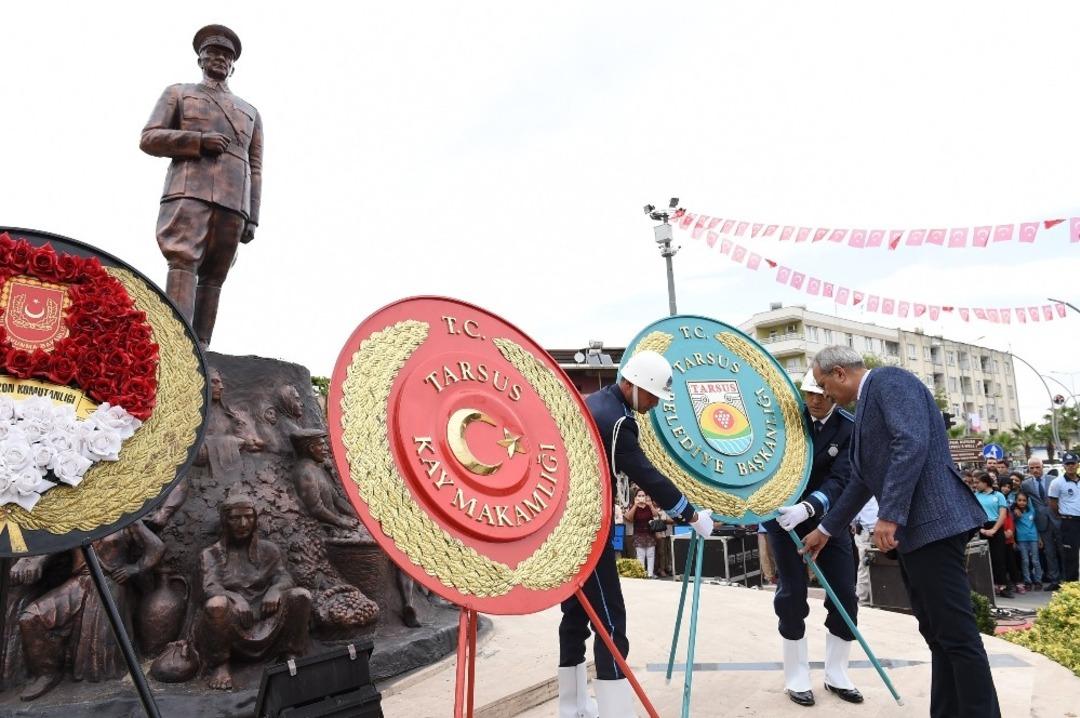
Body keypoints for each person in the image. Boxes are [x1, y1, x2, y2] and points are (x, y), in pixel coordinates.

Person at [801, 346, 1000, 718]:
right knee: (938, 636)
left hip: (933, 525)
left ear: (841, 373)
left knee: (957, 637)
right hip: (917, 532)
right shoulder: (864, 408)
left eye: (826, 385)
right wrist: (826, 529)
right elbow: (860, 480)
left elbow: (911, 442)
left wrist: (889, 515)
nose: (826, 395)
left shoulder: (890, 381)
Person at [557, 351, 713, 718]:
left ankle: (573, 705)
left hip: (567, 524)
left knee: (576, 615)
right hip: (587, 525)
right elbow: (647, 474)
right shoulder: (617, 422)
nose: (656, 403)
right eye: (654, 395)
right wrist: (689, 514)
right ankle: (615, 710)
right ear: (633, 385)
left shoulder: (593, 403)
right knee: (611, 620)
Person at [140, 24, 263, 347]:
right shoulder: (179, 93)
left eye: (227, 55)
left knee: (215, 276)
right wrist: (198, 141)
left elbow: (256, 167)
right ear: (201, 59)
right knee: (182, 260)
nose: (220, 59)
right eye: (214, 53)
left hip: (233, 202)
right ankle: (177, 345)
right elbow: (150, 138)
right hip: (189, 190)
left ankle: (203, 350)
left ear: (233, 64)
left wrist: (252, 216)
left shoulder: (250, 112)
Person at [769, 372, 861, 707]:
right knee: (791, 596)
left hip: (828, 520)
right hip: (784, 520)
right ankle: (796, 675)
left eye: (822, 393)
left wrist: (808, 508)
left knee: (844, 596)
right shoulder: (786, 423)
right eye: (809, 393)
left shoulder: (849, 428)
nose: (816, 400)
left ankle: (837, 673)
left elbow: (842, 479)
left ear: (834, 394)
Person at [194, 492, 312, 690]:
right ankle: (221, 665)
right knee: (216, 604)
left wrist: (275, 590)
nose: (243, 523)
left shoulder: (268, 550)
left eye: (248, 517)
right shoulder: (210, 554)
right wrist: (235, 598)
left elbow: (284, 577)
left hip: (267, 616)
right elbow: (209, 587)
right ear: (225, 521)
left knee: (300, 596)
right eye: (235, 518)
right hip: (234, 618)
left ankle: (292, 654)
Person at [1021, 457, 1063, 590]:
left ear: (1042, 466)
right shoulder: (1026, 484)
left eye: (1037, 467)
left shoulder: (1054, 480)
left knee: (1063, 550)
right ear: (1029, 469)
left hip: (1058, 519)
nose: (1035, 470)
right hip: (1041, 522)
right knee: (1049, 552)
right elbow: (1023, 502)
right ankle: (1054, 580)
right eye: (1032, 468)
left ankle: (1069, 578)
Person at [1048, 452, 1080, 583]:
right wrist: (1062, 515)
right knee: (1070, 556)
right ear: (1063, 465)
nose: (1071, 466)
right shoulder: (1057, 482)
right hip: (1069, 522)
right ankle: (1071, 587)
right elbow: (1053, 504)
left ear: (1078, 464)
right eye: (1068, 464)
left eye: (1073, 463)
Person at [624, 489, 660, 577]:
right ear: (636, 497)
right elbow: (628, 518)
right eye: (639, 496)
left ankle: (650, 574)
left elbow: (655, 515)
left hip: (649, 533)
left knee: (651, 555)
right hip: (638, 534)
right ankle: (641, 574)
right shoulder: (633, 506)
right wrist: (635, 505)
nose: (641, 497)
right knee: (640, 555)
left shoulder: (648, 506)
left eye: (643, 495)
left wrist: (650, 505)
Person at [1012, 492, 1042, 590]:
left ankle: (1038, 581)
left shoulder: (1032, 510)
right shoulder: (1015, 513)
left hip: (1033, 538)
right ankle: (1027, 581)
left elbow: (1036, 524)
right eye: (1019, 500)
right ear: (1016, 501)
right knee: (1025, 561)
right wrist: (1014, 508)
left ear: (1027, 501)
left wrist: (1039, 538)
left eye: (1024, 500)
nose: (1022, 502)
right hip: (1022, 539)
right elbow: (1010, 521)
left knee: (1035, 560)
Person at [852, 497, 878, 605]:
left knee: (871, 568)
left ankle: (873, 600)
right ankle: (863, 602)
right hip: (867, 531)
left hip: (874, 529)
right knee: (865, 568)